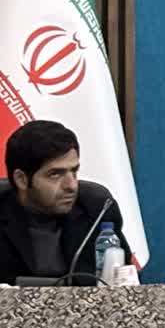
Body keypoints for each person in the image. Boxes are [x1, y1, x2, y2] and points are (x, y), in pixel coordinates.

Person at [0, 120, 132, 285]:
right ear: (21, 179)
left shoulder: (97, 209)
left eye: (74, 171)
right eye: (55, 174)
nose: (71, 186)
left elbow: (122, 283)